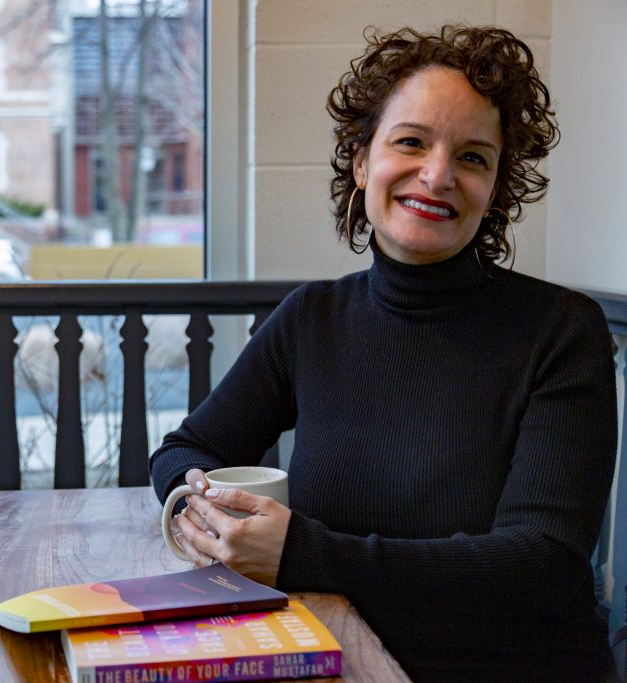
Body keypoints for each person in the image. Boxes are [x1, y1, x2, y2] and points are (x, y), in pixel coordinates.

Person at [149, 25, 618, 682]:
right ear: (363, 160)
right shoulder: (311, 318)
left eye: (474, 157)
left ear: (494, 193)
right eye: (411, 141)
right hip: (331, 658)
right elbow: (185, 448)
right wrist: (201, 516)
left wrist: (299, 552)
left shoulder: (563, 332)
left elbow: (541, 567)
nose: (438, 174)